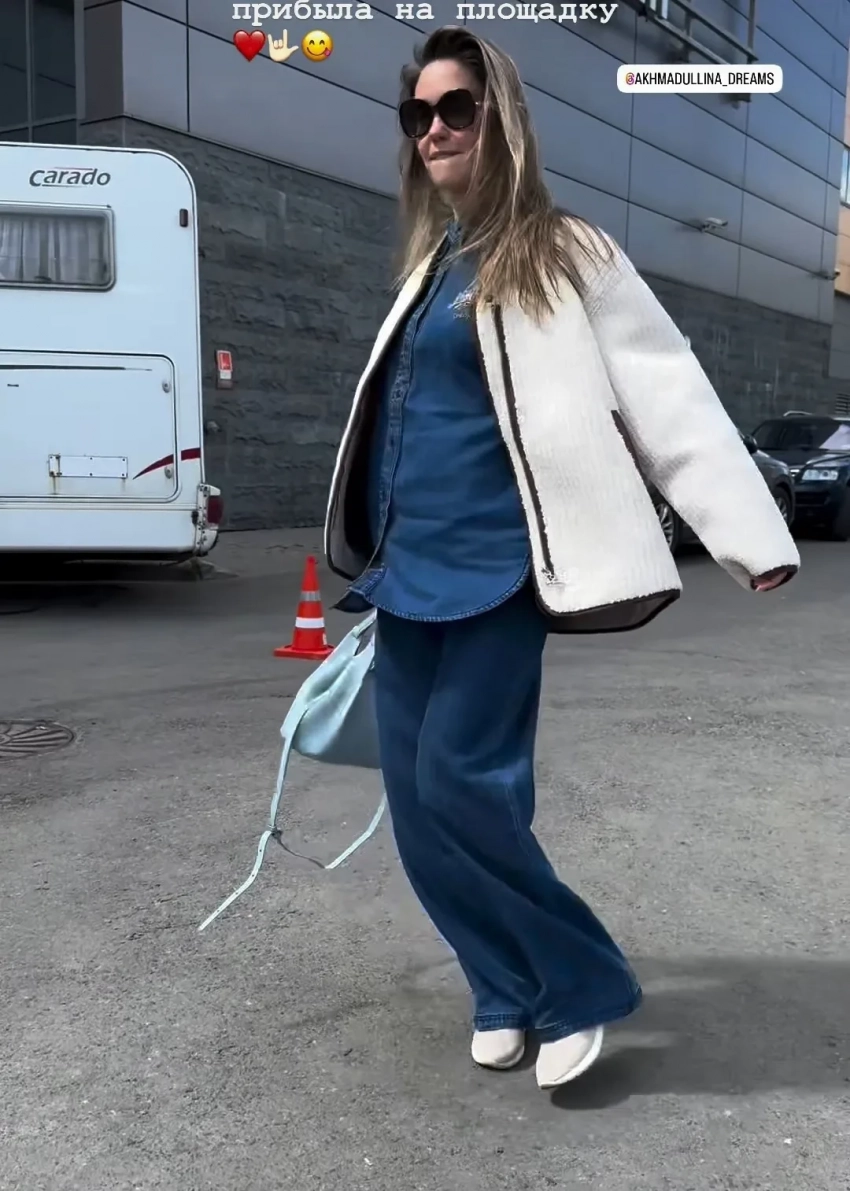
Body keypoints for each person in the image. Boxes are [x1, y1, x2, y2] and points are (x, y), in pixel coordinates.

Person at [323, 25, 800, 1091]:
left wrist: (747, 533)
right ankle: (501, 987)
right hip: (407, 571)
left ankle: (577, 985)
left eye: (456, 108)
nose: (434, 130)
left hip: (499, 568)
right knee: (416, 808)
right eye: (417, 114)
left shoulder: (565, 249)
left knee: (463, 787)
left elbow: (666, 390)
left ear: (501, 119)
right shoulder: (430, 264)